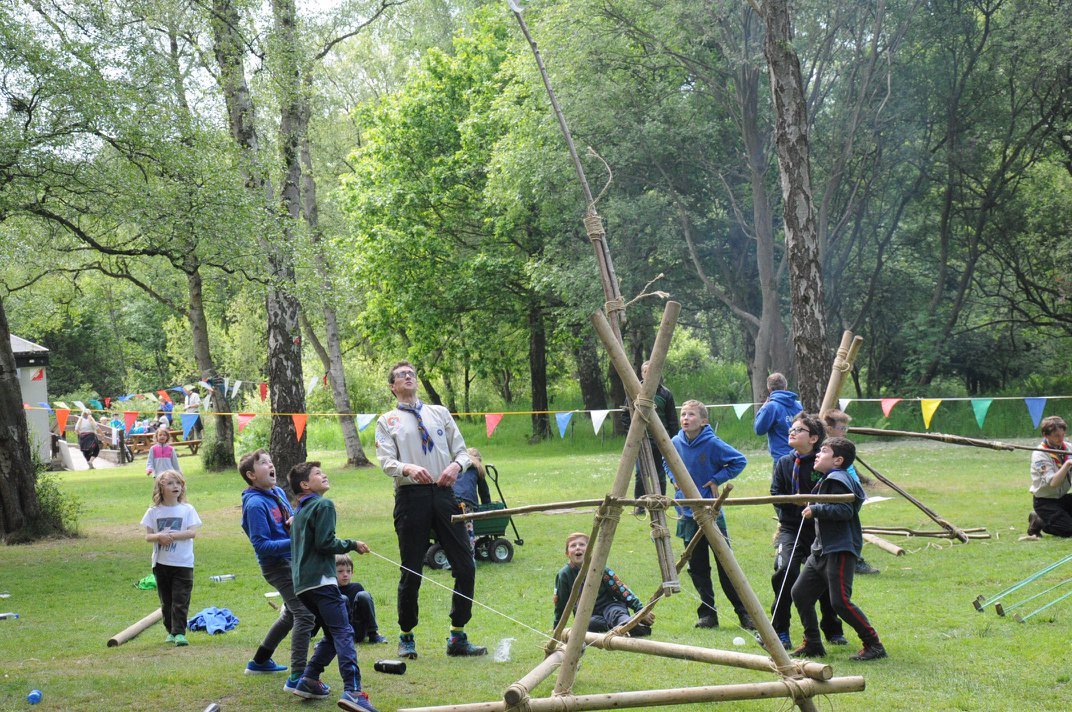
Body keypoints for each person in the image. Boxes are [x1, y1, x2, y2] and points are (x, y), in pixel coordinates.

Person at [375, 361, 486, 659]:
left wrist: (455, 466)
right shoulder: (387, 420)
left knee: (465, 564)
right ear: (392, 386)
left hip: (444, 492)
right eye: (401, 375)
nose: (409, 377)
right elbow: (386, 462)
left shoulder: (439, 412)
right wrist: (408, 467)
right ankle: (406, 635)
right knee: (411, 570)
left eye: (412, 374)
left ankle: (457, 636)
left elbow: (462, 452)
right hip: (411, 497)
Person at [287, 461, 379, 712]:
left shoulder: (298, 513)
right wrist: (352, 543)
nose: (324, 474)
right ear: (305, 485)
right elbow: (326, 543)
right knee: (343, 632)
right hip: (322, 583)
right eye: (318, 473)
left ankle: (309, 679)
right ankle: (354, 691)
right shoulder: (323, 504)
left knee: (332, 632)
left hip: (303, 587)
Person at [791, 437, 887, 661]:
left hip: (840, 549)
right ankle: (813, 643)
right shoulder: (831, 477)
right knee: (800, 593)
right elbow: (830, 505)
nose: (817, 454)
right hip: (821, 550)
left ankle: (874, 644)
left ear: (838, 460)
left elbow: (845, 511)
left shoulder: (838, 478)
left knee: (840, 602)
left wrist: (816, 510)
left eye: (823, 451)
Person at [665, 399, 755, 630]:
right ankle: (708, 613)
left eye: (692, 415)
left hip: (711, 513)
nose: (686, 418)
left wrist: (717, 479)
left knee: (726, 564)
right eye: (683, 414)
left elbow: (739, 460)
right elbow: (667, 461)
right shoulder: (674, 442)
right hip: (686, 513)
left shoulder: (712, 443)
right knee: (697, 566)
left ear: (704, 421)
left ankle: (744, 613)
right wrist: (675, 480)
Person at [239, 449, 316, 690]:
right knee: (305, 614)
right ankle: (298, 677)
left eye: (271, 461)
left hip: (292, 560)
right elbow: (261, 545)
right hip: (276, 566)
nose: (271, 465)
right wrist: (296, 541)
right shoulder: (254, 505)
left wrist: (296, 520)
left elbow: (291, 519)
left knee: (292, 614)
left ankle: (260, 661)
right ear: (252, 475)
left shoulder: (278, 492)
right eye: (264, 463)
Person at [769, 414, 846, 650]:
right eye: (791, 429)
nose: (792, 432)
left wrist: (814, 508)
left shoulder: (824, 463)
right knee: (785, 571)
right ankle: (779, 629)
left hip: (819, 529)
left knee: (823, 577)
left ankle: (832, 628)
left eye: (799, 430)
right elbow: (775, 494)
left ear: (813, 438)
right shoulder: (783, 463)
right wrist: (795, 504)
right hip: (791, 528)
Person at [552, 532, 654, 636]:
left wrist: (641, 611)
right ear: (567, 553)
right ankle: (621, 626)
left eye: (582, 544)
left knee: (616, 614)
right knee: (590, 624)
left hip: (610, 606)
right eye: (573, 545)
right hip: (587, 614)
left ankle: (630, 624)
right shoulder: (564, 575)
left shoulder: (600, 568)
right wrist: (557, 629)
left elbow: (621, 590)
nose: (578, 548)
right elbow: (561, 604)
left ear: (590, 550)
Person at [141, 470, 200, 647]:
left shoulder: (187, 509)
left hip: (183, 563)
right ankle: (170, 631)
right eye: (170, 483)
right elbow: (148, 536)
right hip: (161, 564)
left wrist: (172, 536)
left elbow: (192, 532)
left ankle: (179, 633)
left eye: (178, 483)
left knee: (180, 600)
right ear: (161, 488)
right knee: (166, 602)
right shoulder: (153, 511)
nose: (176, 486)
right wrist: (159, 536)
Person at [822, 410, 880, 575]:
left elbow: (851, 468)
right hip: (843, 492)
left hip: (852, 491)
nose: (844, 432)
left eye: (846, 428)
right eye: (841, 428)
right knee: (850, 531)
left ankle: (852, 560)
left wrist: (863, 482)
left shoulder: (841, 446)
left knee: (851, 529)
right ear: (829, 428)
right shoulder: (829, 450)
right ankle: (855, 562)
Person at [621, 360, 679, 514]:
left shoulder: (666, 394)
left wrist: (673, 439)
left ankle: (660, 502)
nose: (649, 374)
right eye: (645, 371)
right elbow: (626, 416)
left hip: (661, 440)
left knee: (660, 473)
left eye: (652, 371)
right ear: (641, 373)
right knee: (641, 473)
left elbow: (672, 419)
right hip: (641, 439)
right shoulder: (633, 392)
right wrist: (632, 435)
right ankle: (640, 506)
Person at [1027, 416, 1072, 538]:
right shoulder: (1040, 454)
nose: (1060, 439)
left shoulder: (1068, 448)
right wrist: (1068, 464)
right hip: (1045, 501)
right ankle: (1039, 520)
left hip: (1062, 498)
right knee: (1068, 530)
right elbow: (1053, 482)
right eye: (1056, 436)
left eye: (1062, 435)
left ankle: (1059, 517)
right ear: (1045, 435)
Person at [335, 554, 388, 644]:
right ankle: (331, 640)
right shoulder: (331, 590)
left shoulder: (357, 587)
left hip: (359, 630)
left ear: (352, 572)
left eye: (348, 571)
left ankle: (373, 634)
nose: (345, 574)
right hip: (342, 633)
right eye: (340, 571)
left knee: (363, 595)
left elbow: (365, 611)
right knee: (342, 599)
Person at [753, 373, 804, 463]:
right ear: (785, 386)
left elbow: (759, 430)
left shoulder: (771, 407)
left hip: (781, 458)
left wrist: (762, 409)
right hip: (799, 455)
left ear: (769, 388)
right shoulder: (798, 405)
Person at [453, 447, 492, 558]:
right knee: (468, 530)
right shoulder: (477, 468)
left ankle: (451, 556)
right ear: (478, 459)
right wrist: (487, 504)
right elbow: (484, 491)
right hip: (467, 502)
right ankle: (469, 557)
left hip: (452, 499)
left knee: (452, 528)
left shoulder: (456, 465)